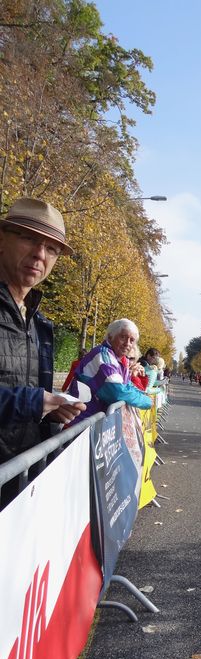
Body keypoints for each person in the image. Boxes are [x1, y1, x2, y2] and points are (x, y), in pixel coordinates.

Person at [0, 197, 85, 465]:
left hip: (22, 476)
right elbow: (27, 400)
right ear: (2, 239)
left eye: (52, 249)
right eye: (29, 238)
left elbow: (29, 397)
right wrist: (31, 402)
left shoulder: (40, 324)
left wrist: (49, 411)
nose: (40, 254)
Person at [67, 318, 152, 421]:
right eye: (123, 337)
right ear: (110, 336)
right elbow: (117, 391)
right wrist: (147, 401)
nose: (127, 343)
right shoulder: (103, 355)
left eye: (132, 340)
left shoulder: (121, 360)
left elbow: (127, 386)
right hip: (80, 421)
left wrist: (144, 396)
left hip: (95, 421)